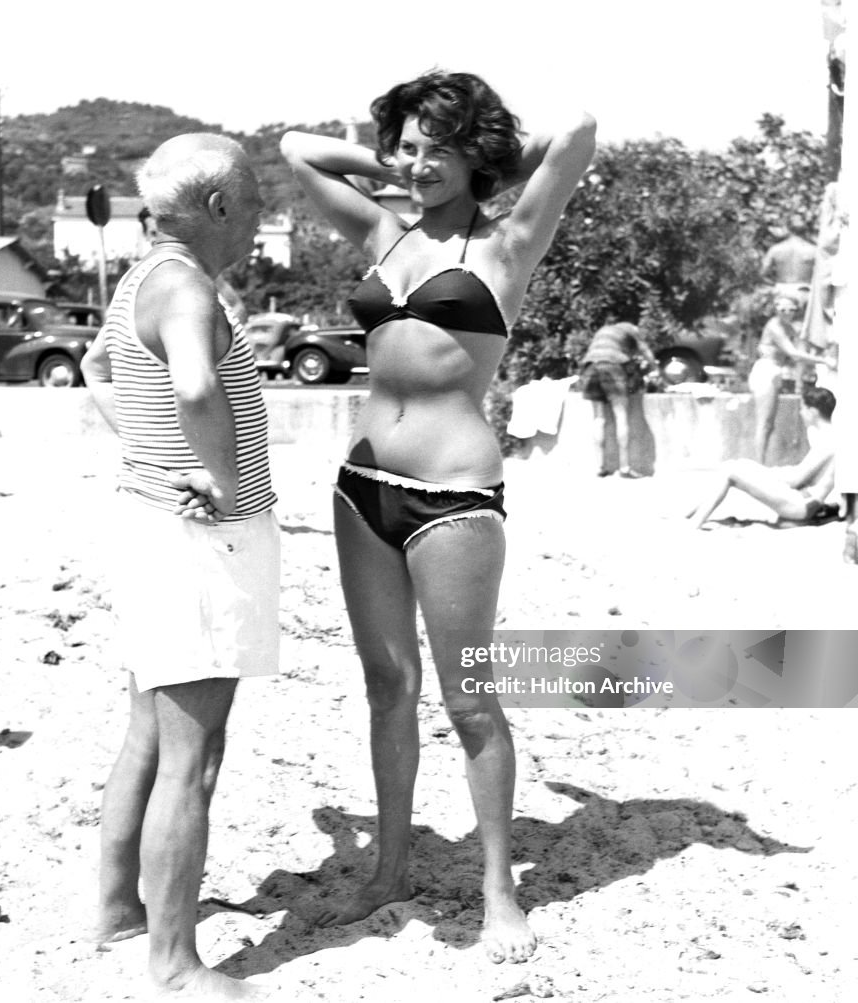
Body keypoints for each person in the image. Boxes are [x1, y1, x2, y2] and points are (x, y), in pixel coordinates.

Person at [281, 71, 595, 964]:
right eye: (407, 147)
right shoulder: (385, 229)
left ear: (476, 154)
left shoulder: (509, 241)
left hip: (453, 495)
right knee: (386, 688)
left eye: (436, 149)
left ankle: (500, 888)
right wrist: (400, 161)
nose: (417, 163)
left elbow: (575, 128)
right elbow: (297, 152)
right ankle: (387, 868)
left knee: (470, 702)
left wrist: (492, 161)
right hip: (360, 486)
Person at [80, 134, 279, 1002]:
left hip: (148, 520)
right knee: (193, 757)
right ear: (220, 208)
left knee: (149, 732)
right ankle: (174, 960)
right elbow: (198, 390)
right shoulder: (189, 287)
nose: (258, 227)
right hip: (195, 542)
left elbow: (95, 368)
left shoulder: (139, 281)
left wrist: (149, 452)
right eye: (256, 210)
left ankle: (119, 907)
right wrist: (231, 486)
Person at [686, 386, 837, 530]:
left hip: (801, 504)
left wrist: (764, 473)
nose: (800, 412)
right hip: (802, 501)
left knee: (732, 471)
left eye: (803, 408)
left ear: (813, 411)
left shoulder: (828, 441)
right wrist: (757, 470)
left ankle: (694, 524)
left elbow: (796, 479)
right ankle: (688, 515)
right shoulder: (829, 436)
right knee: (737, 465)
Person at [748, 293, 830, 464]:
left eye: (791, 309)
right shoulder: (774, 326)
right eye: (782, 309)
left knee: (769, 423)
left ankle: (761, 463)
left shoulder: (788, 327)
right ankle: (759, 465)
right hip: (766, 371)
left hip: (776, 371)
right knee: (764, 422)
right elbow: (793, 353)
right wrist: (824, 360)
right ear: (776, 308)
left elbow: (802, 348)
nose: (786, 312)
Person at [579, 321, 657, 478]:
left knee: (599, 418)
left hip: (590, 366)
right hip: (612, 366)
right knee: (621, 415)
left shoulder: (605, 329)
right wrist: (655, 368)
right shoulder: (631, 329)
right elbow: (645, 351)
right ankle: (624, 468)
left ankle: (601, 466)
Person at [761, 216, 817, 308]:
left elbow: (762, 273)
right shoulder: (813, 250)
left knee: (783, 321)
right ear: (805, 230)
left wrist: (774, 285)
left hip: (782, 290)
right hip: (805, 290)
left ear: (788, 229)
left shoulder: (775, 249)